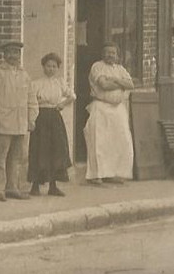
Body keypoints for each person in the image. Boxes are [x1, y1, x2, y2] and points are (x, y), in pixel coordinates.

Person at [0, 40, 38, 202]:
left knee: (17, 157)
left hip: (21, 122)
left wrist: (32, 118)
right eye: (11, 52)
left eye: (17, 53)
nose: (14, 56)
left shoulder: (24, 74)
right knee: (0, 157)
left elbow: (31, 98)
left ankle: (13, 187)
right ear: (4, 55)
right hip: (2, 122)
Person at [84, 42, 134, 186]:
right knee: (99, 142)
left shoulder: (120, 69)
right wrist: (121, 84)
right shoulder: (97, 66)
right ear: (102, 54)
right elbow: (103, 85)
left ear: (117, 55)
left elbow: (131, 84)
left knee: (119, 141)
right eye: (107, 52)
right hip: (101, 106)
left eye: (113, 53)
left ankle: (111, 173)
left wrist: (116, 80)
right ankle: (96, 176)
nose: (110, 55)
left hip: (118, 108)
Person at [28, 53, 74, 197]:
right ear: (43, 66)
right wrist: (32, 119)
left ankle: (53, 186)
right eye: (48, 66)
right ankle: (35, 186)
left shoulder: (60, 82)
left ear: (57, 68)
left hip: (55, 118)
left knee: (56, 151)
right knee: (39, 150)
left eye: (54, 66)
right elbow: (31, 101)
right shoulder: (36, 83)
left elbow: (72, 95)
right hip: (40, 118)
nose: (51, 69)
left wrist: (62, 104)